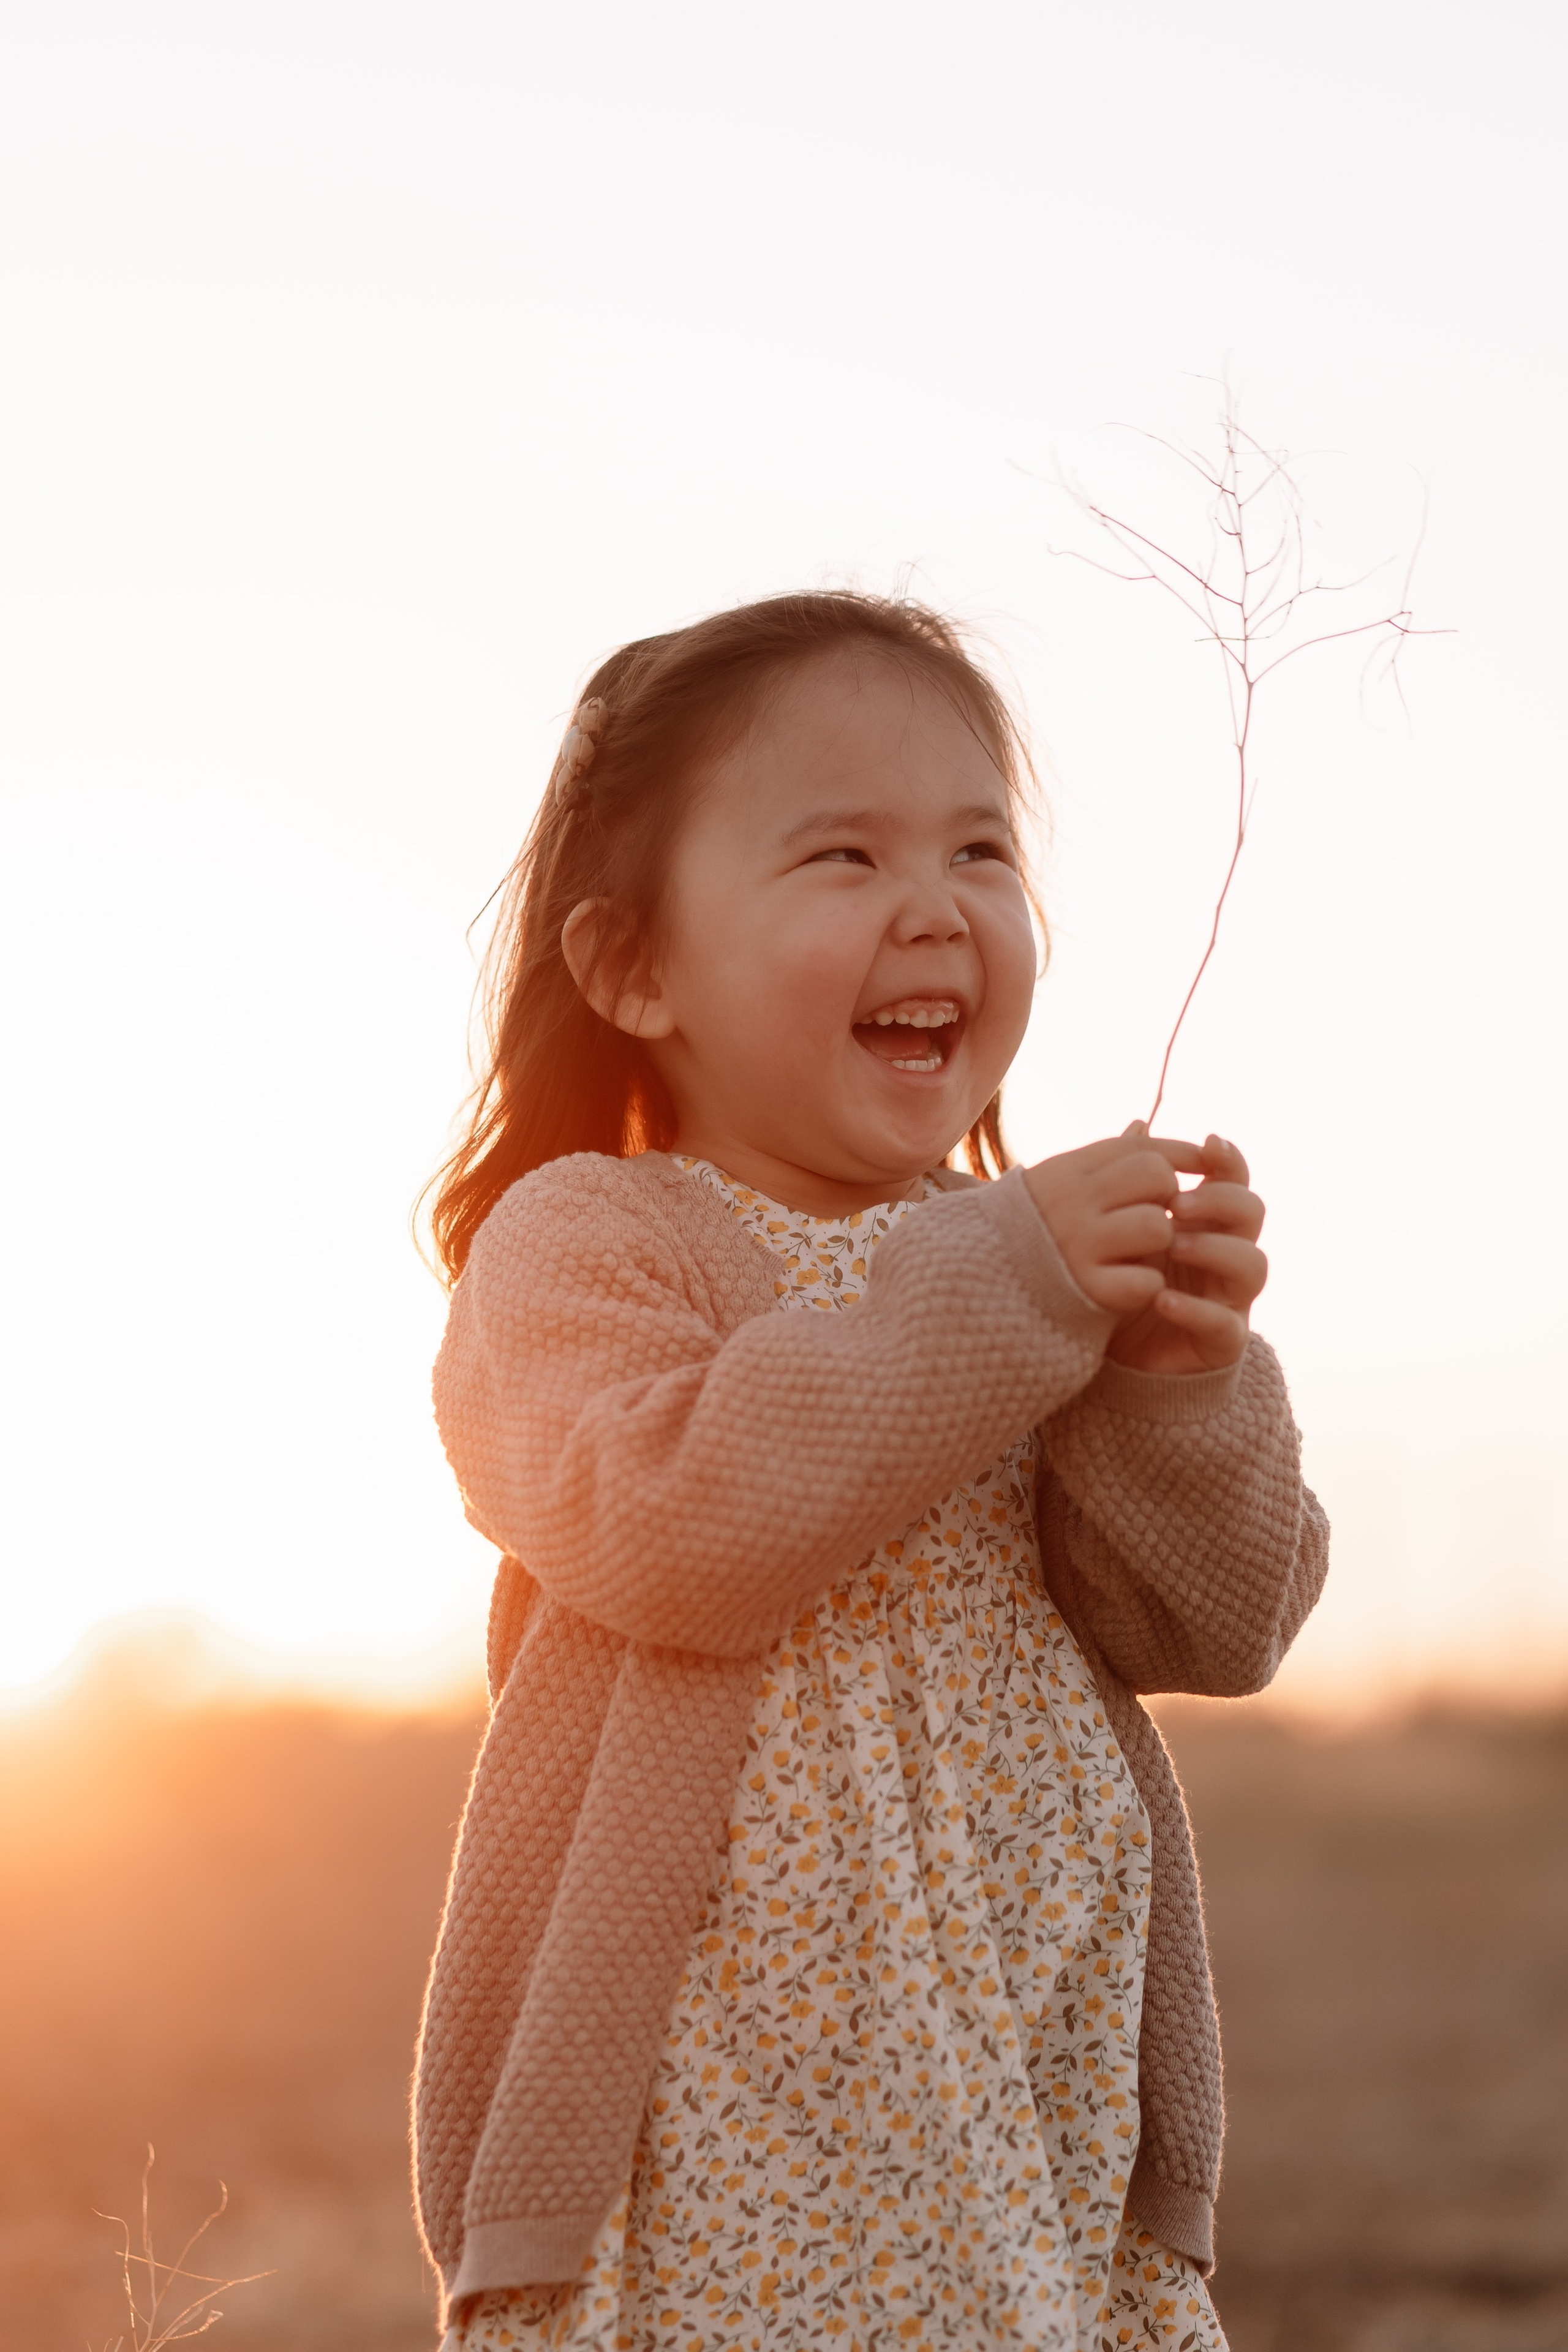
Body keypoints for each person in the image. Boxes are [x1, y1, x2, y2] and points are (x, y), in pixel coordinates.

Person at [414, 590, 1328, 2352]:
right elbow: (676, 1526)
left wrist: (1168, 1379)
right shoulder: (594, 1244)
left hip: (1025, 2089)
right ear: (633, 969)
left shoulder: (1014, 1270)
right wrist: (1013, 1287)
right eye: (841, 856)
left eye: (981, 848)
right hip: (730, 2131)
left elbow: (1217, 1622)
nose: (936, 906)